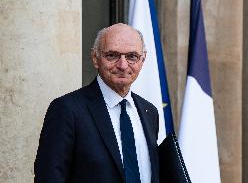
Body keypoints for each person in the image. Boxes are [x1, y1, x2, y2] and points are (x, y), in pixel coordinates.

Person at [34, 23, 159, 183]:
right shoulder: (67, 110)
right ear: (95, 58)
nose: (122, 65)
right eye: (112, 55)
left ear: (142, 60)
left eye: (132, 56)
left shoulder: (149, 112)